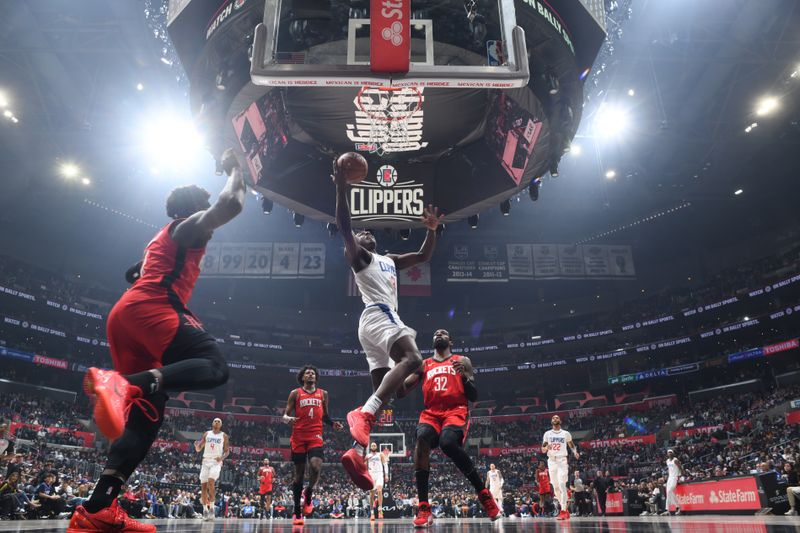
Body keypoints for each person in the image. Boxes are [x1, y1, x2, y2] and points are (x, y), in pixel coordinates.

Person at [68, 149, 246, 533]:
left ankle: (98, 508)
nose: (209, 218)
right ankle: (124, 384)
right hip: (152, 310)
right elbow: (231, 202)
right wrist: (235, 167)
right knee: (215, 367)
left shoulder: (160, 240)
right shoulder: (187, 228)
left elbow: (132, 271)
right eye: (204, 207)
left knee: (146, 419)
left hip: (126, 316)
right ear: (194, 210)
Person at [332, 160, 443, 489]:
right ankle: (364, 414)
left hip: (372, 328)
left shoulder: (390, 260)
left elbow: (423, 256)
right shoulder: (360, 258)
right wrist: (341, 187)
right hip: (380, 315)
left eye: (367, 232)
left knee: (394, 392)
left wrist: (432, 229)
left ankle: (357, 451)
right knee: (414, 359)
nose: (365, 232)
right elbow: (343, 225)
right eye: (360, 233)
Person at [397, 329, 501, 527]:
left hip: (456, 411)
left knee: (447, 442)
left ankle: (484, 494)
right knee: (421, 440)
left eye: (443, 333)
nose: (438, 334)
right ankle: (424, 507)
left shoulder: (463, 361)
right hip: (431, 413)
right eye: (435, 333)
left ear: (450, 341)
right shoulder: (424, 364)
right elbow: (401, 392)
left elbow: (473, 396)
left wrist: (463, 377)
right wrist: (397, 373)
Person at [284, 365, 343, 526]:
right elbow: (285, 414)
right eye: (307, 373)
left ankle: (308, 492)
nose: (310, 374)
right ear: (302, 377)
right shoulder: (295, 393)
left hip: (315, 435)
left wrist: (332, 424)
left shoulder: (323, 394)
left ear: (316, 377)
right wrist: (287, 419)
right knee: (299, 474)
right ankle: (297, 511)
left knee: (316, 466)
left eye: (313, 373)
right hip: (298, 436)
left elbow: (324, 415)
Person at [542, 415, 579, 520]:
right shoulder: (547, 434)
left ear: (560, 420)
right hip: (551, 461)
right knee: (556, 487)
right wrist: (546, 448)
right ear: (551, 421)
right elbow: (543, 449)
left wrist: (575, 452)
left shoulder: (565, 433)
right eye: (553, 418)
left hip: (562, 460)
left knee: (562, 484)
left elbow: (571, 444)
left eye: (557, 417)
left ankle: (563, 510)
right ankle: (565, 508)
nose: (555, 419)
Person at [194, 417, 229, 521]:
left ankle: (212, 508)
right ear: (212, 423)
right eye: (215, 421)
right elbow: (199, 448)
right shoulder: (207, 433)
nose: (217, 422)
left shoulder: (224, 436)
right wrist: (196, 447)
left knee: (211, 482)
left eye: (219, 421)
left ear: (221, 425)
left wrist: (221, 458)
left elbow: (227, 451)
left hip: (216, 462)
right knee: (203, 487)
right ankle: (205, 510)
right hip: (205, 461)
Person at [366, 442, 388, 520]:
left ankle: (380, 509)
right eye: (372, 445)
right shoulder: (367, 456)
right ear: (370, 447)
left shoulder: (380, 454)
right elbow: (364, 466)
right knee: (371, 494)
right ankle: (372, 513)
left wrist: (386, 475)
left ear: (376, 446)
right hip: (371, 475)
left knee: (379, 490)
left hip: (379, 474)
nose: (373, 446)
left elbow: (385, 464)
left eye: (375, 445)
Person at [663, 449, 683, 516]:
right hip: (670, 478)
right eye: (668, 452)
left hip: (675, 477)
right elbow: (669, 470)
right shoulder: (667, 461)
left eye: (671, 452)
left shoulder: (675, 460)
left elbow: (681, 468)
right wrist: (668, 478)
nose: (669, 453)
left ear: (673, 453)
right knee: (668, 493)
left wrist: (681, 476)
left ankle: (674, 507)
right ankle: (669, 510)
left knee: (669, 491)